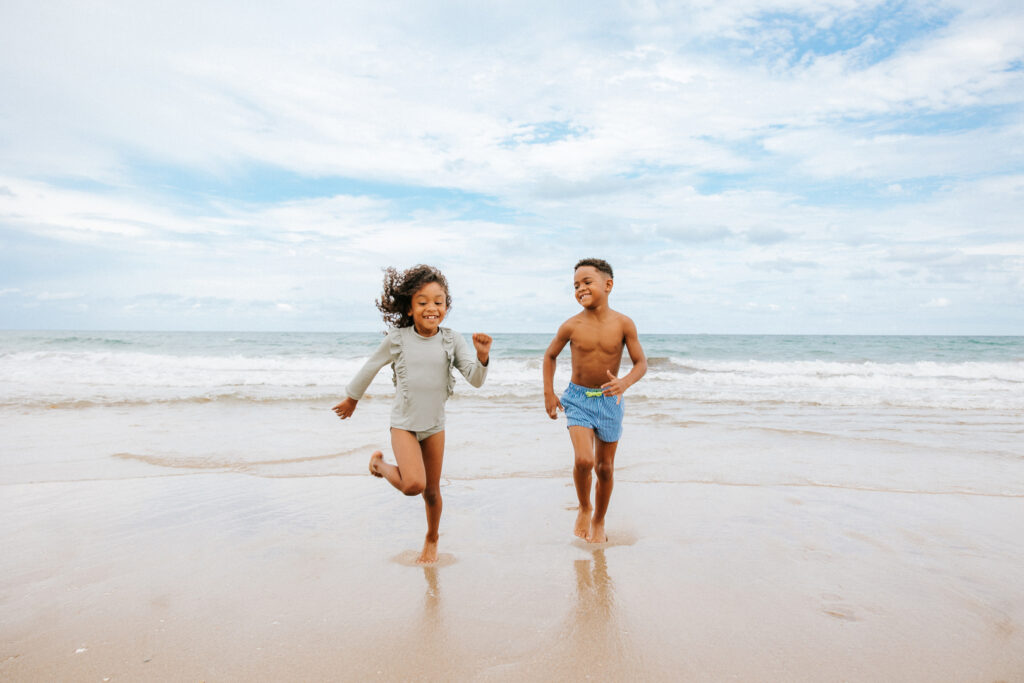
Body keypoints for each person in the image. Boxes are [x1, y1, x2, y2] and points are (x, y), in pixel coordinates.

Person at [333, 264, 491, 564]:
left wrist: (482, 357)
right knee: (412, 486)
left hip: (434, 426)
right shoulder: (398, 338)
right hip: (404, 425)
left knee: (431, 492)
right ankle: (379, 465)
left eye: (438, 302)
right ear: (409, 308)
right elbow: (371, 366)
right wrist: (351, 399)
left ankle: (432, 538)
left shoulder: (452, 339)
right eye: (422, 302)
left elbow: (475, 379)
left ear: (446, 306)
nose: (431, 308)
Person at [542, 258, 647, 543]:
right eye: (576, 285)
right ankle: (585, 506)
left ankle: (599, 520)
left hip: (609, 400)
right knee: (584, 460)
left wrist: (624, 382)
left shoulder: (624, 324)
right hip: (577, 399)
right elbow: (550, 355)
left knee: (605, 468)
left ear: (608, 285)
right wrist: (549, 392)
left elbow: (641, 363)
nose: (580, 288)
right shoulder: (571, 325)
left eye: (587, 282)